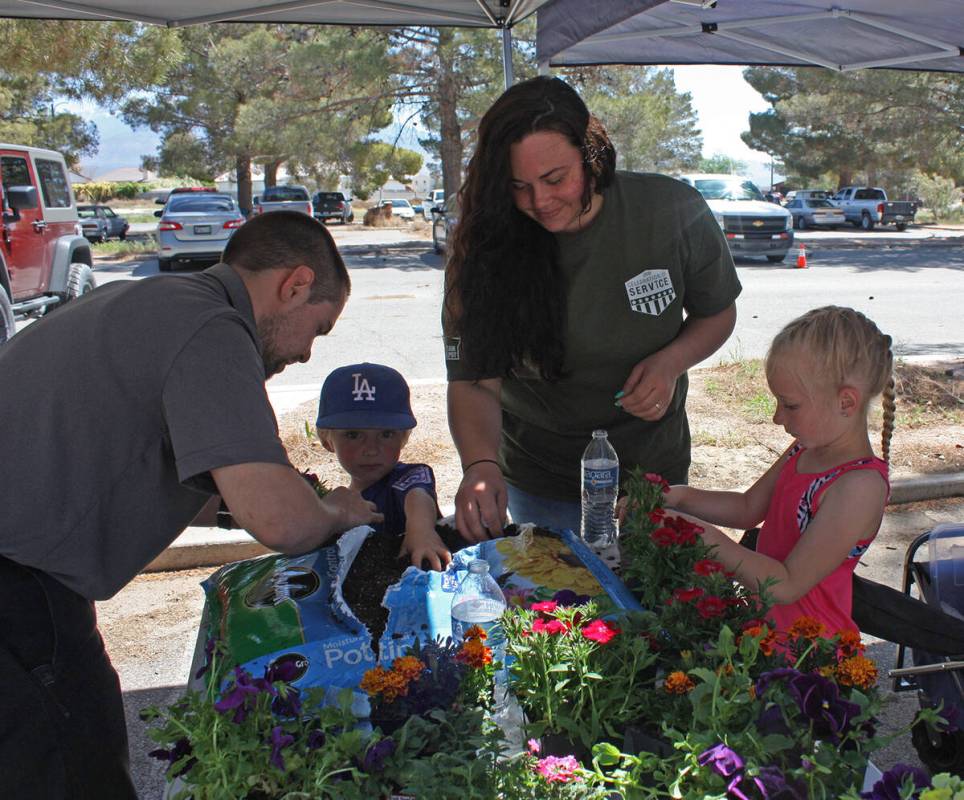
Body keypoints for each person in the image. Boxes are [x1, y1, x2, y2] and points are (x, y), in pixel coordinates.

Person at [0, 211, 382, 798]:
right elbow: (281, 521)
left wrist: (248, 501)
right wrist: (336, 510)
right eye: (318, 328)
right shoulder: (211, 325)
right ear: (296, 284)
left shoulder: (150, 301)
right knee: (73, 768)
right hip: (16, 588)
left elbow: (148, 465)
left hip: (23, 572)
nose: (308, 354)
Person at [443, 75, 741, 542]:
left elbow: (717, 312)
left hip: (652, 473)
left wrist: (670, 362)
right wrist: (480, 466)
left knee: (648, 605)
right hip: (539, 473)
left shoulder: (671, 210)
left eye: (555, 179)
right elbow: (475, 382)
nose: (539, 202)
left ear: (592, 155)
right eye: (517, 186)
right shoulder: (484, 249)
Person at [657, 306, 894, 637]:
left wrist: (699, 534)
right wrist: (678, 497)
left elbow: (786, 584)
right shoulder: (804, 449)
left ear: (846, 403)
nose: (777, 418)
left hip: (809, 659)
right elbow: (747, 509)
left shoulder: (859, 487)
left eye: (790, 405)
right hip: (765, 637)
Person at [315, 362, 452, 571]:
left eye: (386, 434)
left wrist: (421, 529)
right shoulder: (337, 503)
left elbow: (418, 496)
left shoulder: (406, 477)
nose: (371, 449)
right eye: (353, 435)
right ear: (327, 440)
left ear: (404, 438)